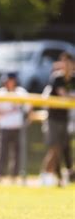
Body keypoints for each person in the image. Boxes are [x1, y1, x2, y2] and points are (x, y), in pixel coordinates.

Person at [40, 53, 74, 186]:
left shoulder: (72, 79)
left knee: (62, 149)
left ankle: (55, 177)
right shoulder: (57, 78)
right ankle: (45, 175)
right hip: (53, 118)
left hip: (66, 118)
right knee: (54, 148)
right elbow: (63, 94)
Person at [0, 73, 31, 185]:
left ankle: (14, 177)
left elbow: (29, 108)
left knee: (18, 154)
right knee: (2, 154)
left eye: (11, 80)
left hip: (18, 128)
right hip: (4, 127)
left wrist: (27, 121)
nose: (9, 83)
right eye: (7, 81)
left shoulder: (21, 92)